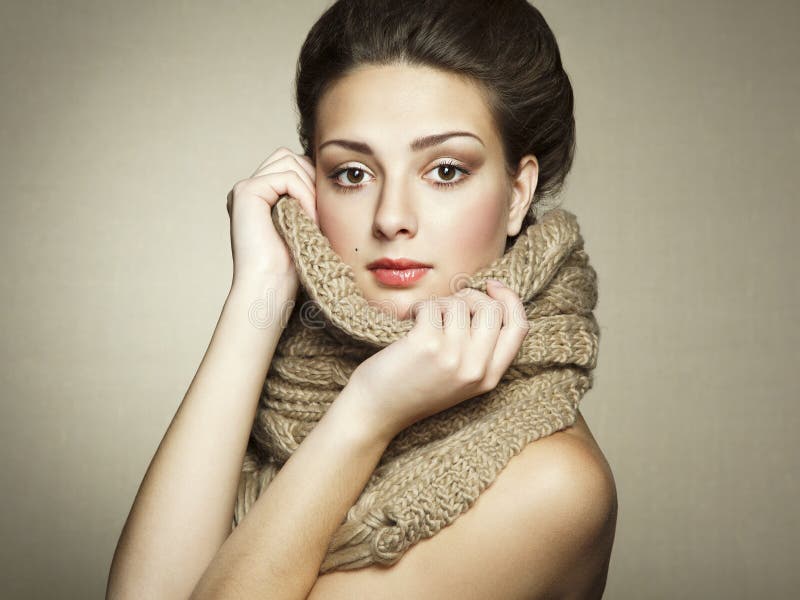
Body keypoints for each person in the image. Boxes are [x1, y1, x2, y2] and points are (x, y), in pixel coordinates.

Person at [106, 0, 617, 598]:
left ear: (516, 193)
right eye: (352, 173)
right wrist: (263, 290)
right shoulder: (289, 391)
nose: (391, 218)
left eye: (446, 170)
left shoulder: (551, 485)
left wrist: (366, 413)